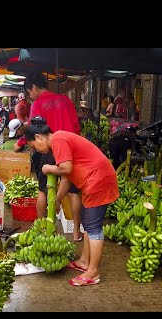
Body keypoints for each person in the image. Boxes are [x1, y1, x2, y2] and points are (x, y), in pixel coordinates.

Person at [25, 117, 119, 286]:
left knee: (93, 228)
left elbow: (65, 169)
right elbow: (67, 177)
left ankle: (93, 272)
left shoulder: (59, 139)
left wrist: (48, 168)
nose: (37, 152)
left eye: (34, 147)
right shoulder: (59, 143)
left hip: (98, 180)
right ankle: (84, 262)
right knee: (88, 224)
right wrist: (58, 199)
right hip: (94, 180)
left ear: (39, 137)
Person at [19, 72, 83, 242]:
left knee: (43, 190)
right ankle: (76, 231)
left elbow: (34, 132)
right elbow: (77, 127)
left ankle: (42, 228)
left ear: (33, 87)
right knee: (75, 192)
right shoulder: (66, 100)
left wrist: (21, 143)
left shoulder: (38, 104)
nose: (30, 96)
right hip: (70, 147)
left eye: (29, 92)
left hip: (49, 149)